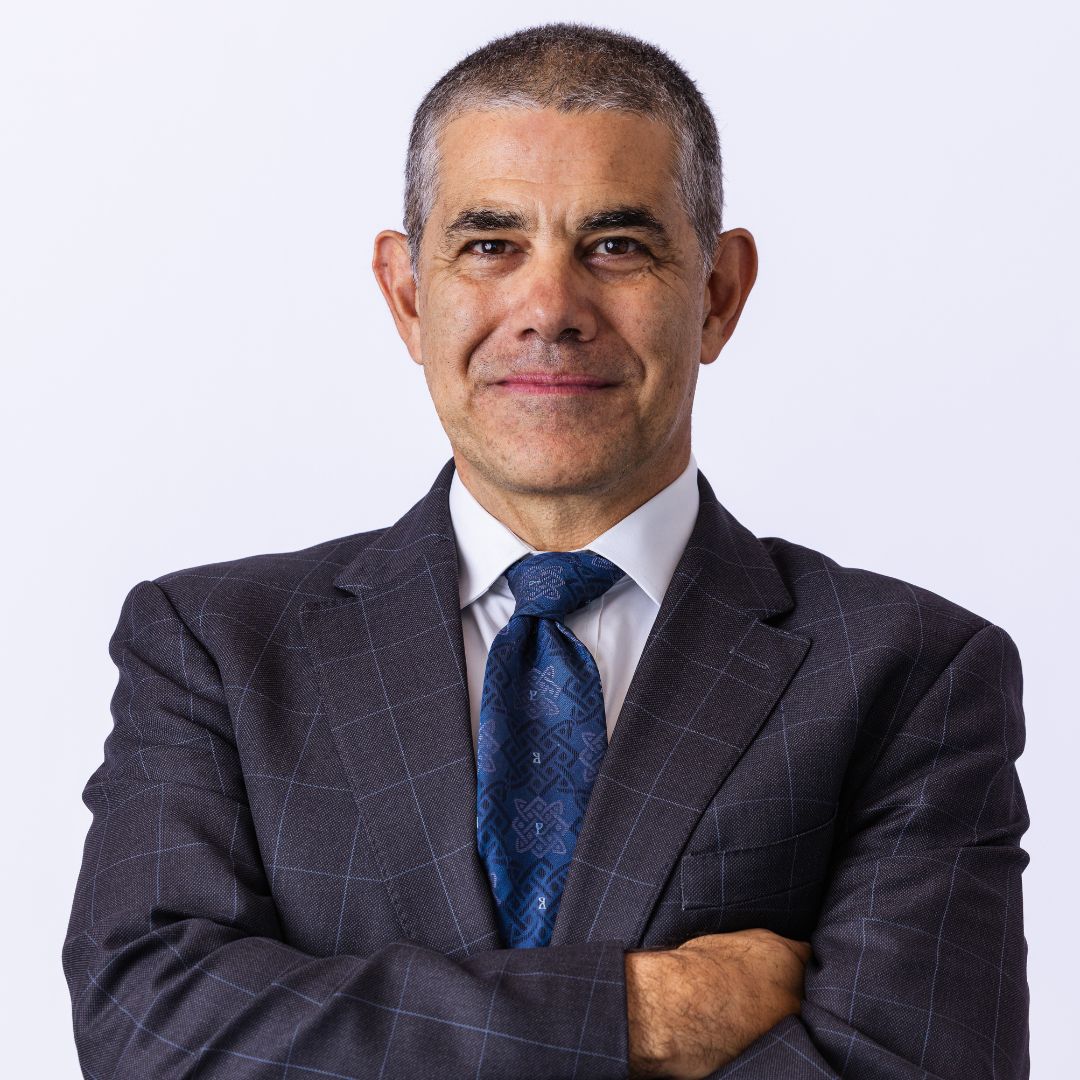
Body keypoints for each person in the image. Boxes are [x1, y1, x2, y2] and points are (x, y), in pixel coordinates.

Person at [62, 22, 1030, 1080]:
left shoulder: (910, 674)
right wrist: (636, 1016)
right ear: (408, 294)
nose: (550, 310)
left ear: (718, 294)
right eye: (491, 245)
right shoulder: (215, 647)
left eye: (616, 246)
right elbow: (152, 1033)